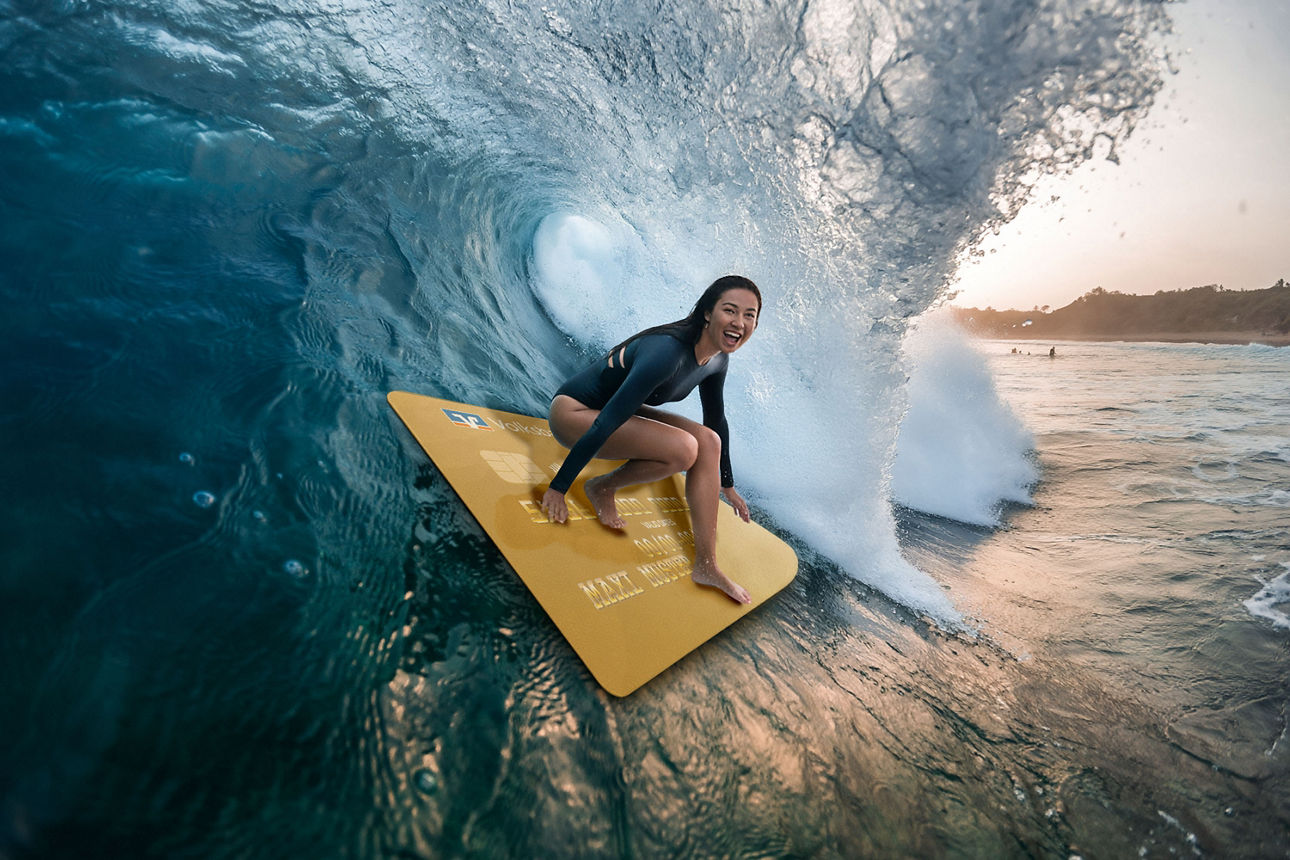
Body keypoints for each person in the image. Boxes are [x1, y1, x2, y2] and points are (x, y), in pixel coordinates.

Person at [539, 275, 761, 604]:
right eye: (730, 310)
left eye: (750, 315)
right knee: (685, 449)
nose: (739, 322)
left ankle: (707, 566)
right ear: (707, 313)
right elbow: (605, 423)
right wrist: (558, 488)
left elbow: (716, 420)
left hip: (611, 412)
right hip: (575, 413)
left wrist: (726, 485)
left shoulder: (716, 360)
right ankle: (602, 487)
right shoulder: (667, 353)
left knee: (708, 441)